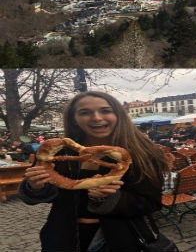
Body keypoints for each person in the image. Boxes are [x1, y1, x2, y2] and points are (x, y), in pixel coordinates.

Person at [19, 91, 170, 252]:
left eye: (105, 110)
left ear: (118, 115)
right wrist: (35, 187)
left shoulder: (142, 153)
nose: (97, 118)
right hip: (62, 238)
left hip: (120, 240)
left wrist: (111, 198)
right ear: (74, 120)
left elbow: (152, 203)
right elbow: (38, 196)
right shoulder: (58, 151)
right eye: (85, 112)